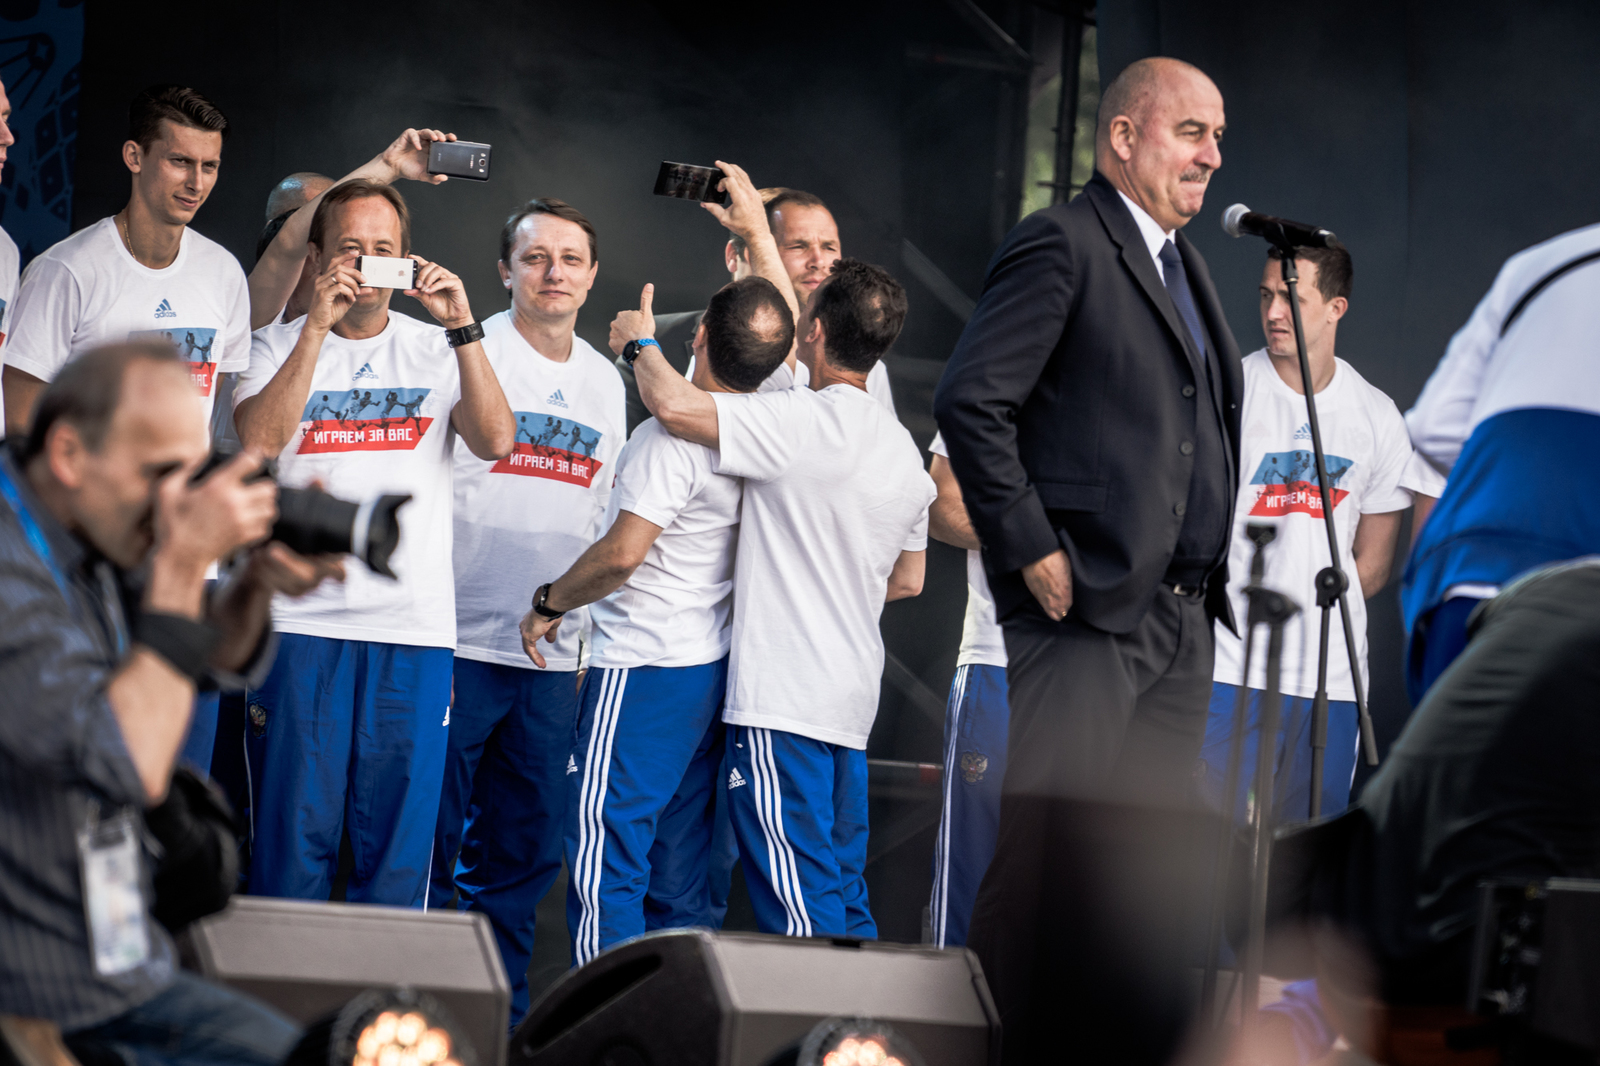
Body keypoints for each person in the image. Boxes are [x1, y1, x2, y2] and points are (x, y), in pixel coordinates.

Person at [931, 57, 1241, 1059]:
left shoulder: (1184, 266)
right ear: (1120, 137)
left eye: (1216, 136)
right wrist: (1032, 549)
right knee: (1045, 858)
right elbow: (971, 401)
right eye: (1190, 131)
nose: (1211, 155)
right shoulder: (1061, 242)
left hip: (1178, 615)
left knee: (1135, 878)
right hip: (1084, 611)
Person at [0, 342, 341, 1066]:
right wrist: (186, 560)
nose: (175, 501)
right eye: (160, 475)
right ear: (68, 452)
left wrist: (252, 582)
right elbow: (124, 756)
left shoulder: (85, 528)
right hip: (34, 995)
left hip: (113, 964)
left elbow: (196, 651)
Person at [519, 166, 799, 968]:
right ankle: (680, 1031)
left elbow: (619, 556)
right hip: (709, 672)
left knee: (606, 857)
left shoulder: (667, 440)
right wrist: (754, 232)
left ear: (701, 338)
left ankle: (602, 1035)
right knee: (679, 874)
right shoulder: (779, 413)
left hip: (640, 668)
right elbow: (775, 323)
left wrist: (548, 601)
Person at [632, 229, 934, 938]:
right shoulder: (902, 450)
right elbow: (911, 580)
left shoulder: (796, 421)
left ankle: (823, 1042)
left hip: (783, 703)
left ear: (815, 331)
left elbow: (674, 409)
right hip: (851, 704)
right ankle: (859, 1039)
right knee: (841, 888)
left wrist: (637, 344)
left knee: (800, 907)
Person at [232, 179, 515, 908]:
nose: (365, 263)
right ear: (317, 257)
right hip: (299, 630)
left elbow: (496, 440)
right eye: (350, 248)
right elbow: (259, 441)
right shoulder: (269, 346)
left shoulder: (437, 348)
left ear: (407, 260)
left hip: (411, 631)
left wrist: (462, 326)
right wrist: (315, 329)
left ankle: (384, 1020)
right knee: (288, 852)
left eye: (384, 250)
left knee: (397, 858)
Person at [1, 84, 251, 776]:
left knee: (177, 779)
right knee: (89, 774)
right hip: (92, 573)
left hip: (187, 566)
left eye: (209, 166)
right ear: (135, 157)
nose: (195, 181)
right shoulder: (65, 272)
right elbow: (22, 434)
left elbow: (208, 418)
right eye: (179, 162)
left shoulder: (223, 274)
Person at [430, 198, 622, 1018]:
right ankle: (417, 1023)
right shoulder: (463, 352)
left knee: (523, 860)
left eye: (570, 259)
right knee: (430, 852)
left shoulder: (606, 384)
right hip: (449, 642)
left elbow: (603, 518)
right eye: (535, 258)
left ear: (591, 276)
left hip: (549, 663)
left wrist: (582, 636)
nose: (554, 274)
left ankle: (497, 1026)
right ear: (503, 271)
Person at [1200, 243, 1442, 825]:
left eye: (1291, 298)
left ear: (1336, 307)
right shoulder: (1226, 390)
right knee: (1206, 865)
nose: (1273, 312)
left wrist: (1314, 614)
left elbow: (1376, 565)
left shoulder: (1378, 416)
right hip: (1229, 671)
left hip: (1329, 686)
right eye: (1266, 296)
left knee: (1302, 871)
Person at [1401, 222, 1600, 703]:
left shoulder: (1541, 261)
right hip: (1579, 583)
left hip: (1462, 572)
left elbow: (1431, 426)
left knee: (1449, 777)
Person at [614, 183, 895, 431]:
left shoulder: (865, 368)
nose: (818, 261)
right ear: (735, 257)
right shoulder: (656, 340)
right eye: (798, 245)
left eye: (830, 247)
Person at [924, 431, 1009, 949]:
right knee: (971, 859)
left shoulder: (1142, 383)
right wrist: (1030, 542)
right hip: (998, 654)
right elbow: (940, 504)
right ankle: (950, 1015)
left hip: (1099, 667)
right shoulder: (997, 373)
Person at [249, 128, 458, 329]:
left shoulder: (392, 332)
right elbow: (288, 243)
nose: (361, 258)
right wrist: (388, 166)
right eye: (347, 245)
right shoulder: (260, 321)